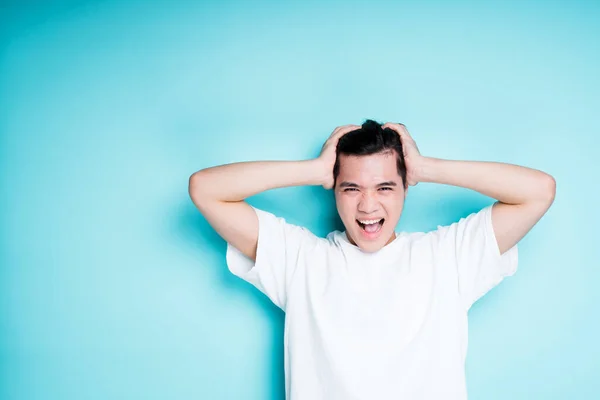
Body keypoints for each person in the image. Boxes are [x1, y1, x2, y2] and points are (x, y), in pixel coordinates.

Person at [188, 119, 556, 400]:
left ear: (405, 187)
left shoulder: (447, 257)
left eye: (384, 187)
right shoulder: (300, 260)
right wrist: (313, 171)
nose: (368, 206)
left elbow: (539, 191)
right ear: (334, 191)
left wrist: (426, 168)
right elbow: (205, 189)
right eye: (352, 188)